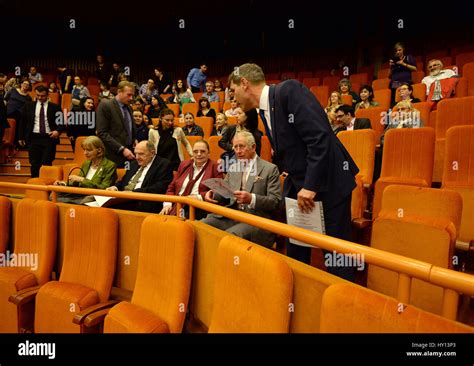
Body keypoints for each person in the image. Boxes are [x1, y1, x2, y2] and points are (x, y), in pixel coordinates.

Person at [228, 63, 358, 282]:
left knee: (336, 255)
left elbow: (320, 138)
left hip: (328, 184)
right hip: (300, 187)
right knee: (296, 249)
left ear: (244, 83)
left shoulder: (289, 91)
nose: (232, 99)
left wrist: (310, 185)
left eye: (232, 92)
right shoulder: (263, 110)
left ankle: (345, 304)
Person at [201, 131, 281, 247]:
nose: (238, 151)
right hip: (233, 215)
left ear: (253, 147)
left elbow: (276, 202)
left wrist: (251, 199)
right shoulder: (233, 167)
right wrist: (214, 194)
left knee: (231, 236)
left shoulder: (270, 169)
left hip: (256, 220)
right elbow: (226, 193)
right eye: (235, 147)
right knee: (203, 225)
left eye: (241, 147)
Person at [160, 139, 223, 219]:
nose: (199, 154)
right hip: (177, 203)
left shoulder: (215, 167)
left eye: (202, 151)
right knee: (158, 221)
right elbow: (172, 187)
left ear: (208, 153)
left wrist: (199, 197)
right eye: (195, 152)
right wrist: (168, 203)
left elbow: (218, 190)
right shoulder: (184, 164)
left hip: (197, 207)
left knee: (177, 222)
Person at [105, 140, 173, 213]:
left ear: (152, 153)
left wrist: (134, 193)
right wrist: (115, 187)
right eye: (135, 154)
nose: (137, 157)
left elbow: (159, 188)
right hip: (123, 198)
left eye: (141, 154)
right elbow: (123, 182)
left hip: (143, 201)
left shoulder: (164, 164)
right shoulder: (133, 164)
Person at [53, 136, 117, 204]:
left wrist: (82, 180)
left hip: (94, 196)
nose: (85, 153)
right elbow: (78, 183)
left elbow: (104, 188)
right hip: (80, 194)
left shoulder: (110, 165)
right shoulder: (86, 163)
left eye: (89, 150)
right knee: (54, 195)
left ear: (99, 150)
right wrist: (64, 184)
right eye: (84, 150)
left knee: (87, 200)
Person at [18, 85, 64, 178]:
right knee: (34, 164)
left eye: (42, 96)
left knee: (47, 162)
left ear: (48, 95)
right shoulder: (28, 106)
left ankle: (47, 185)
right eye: (38, 95)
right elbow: (22, 122)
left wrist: (57, 131)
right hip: (33, 138)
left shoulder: (55, 107)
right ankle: (35, 186)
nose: (39, 98)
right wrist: (20, 137)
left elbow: (62, 123)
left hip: (49, 138)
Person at [96, 81, 136, 167]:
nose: (131, 98)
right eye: (128, 95)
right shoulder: (105, 105)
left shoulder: (129, 108)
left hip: (129, 154)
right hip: (112, 156)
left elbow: (128, 129)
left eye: (132, 95)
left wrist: (134, 140)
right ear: (119, 92)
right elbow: (102, 133)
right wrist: (122, 149)